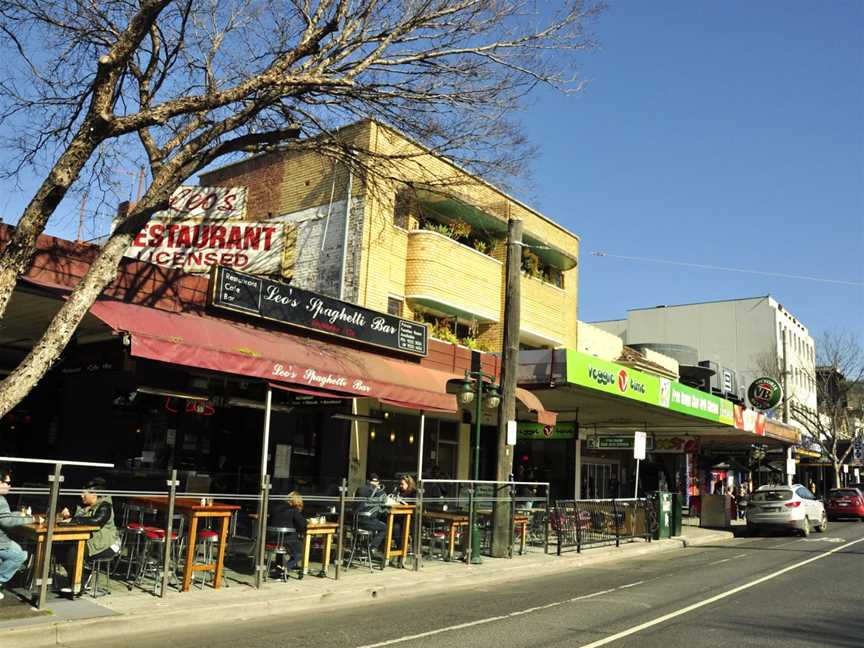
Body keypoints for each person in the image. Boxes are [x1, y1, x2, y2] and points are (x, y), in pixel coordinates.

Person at [57, 477, 121, 596]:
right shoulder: (86, 506)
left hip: (107, 545)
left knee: (74, 551)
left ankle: (78, 585)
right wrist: (68, 515)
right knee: (60, 548)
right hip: (92, 542)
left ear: (94, 494)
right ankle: (78, 578)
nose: (81, 495)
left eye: (84, 493)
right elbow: (80, 517)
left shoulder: (105, 506)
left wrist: (74, 519)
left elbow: (96, 521)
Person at [0, 465, 40, 600]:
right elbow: (7, 521)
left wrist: (21, 515)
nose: (9, 486)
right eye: (7, 483)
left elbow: (5, 516)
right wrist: (32, 518)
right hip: (0, 542)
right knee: (20, 555)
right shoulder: (0, 500)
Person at [268, 491, 307, 579]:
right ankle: (285, 568)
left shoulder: (275, 508)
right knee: (299, 553)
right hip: (287, 539)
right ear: (297, 502)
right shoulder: (293, 510)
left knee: (280, 548)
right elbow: (303, 524)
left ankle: (279, 568)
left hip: (272, 539)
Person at [355, 474, 388, 555]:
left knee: (377, 522)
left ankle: (358, 546)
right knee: (386, 528)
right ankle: (371, 547)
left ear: (367, 481)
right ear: (378, 482)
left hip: (355, 521)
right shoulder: (379, 491)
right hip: (367, 521)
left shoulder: (360, 489)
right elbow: (384, 504)